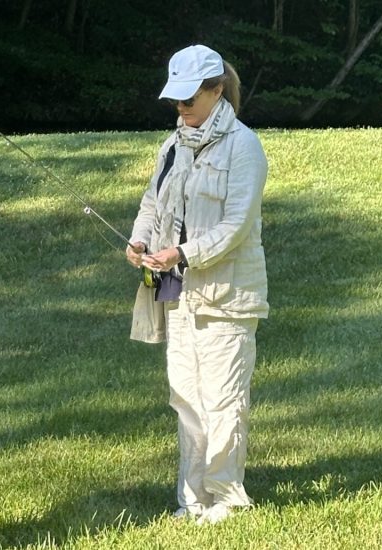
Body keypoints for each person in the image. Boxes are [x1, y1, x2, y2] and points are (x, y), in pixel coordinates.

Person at [127, 44, 268, 525]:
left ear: (217, 90)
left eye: (189, 99)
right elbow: (152, 200)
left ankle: (227, 498)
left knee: (224, 399)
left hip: (228, 297)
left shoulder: (244, 145)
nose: (181, 108)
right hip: (177, 295)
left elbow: (235, 227)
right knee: (185, 396)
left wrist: (182, 253)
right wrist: (140, 239)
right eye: (177, 101)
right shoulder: (171, 145)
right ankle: (192, 501)